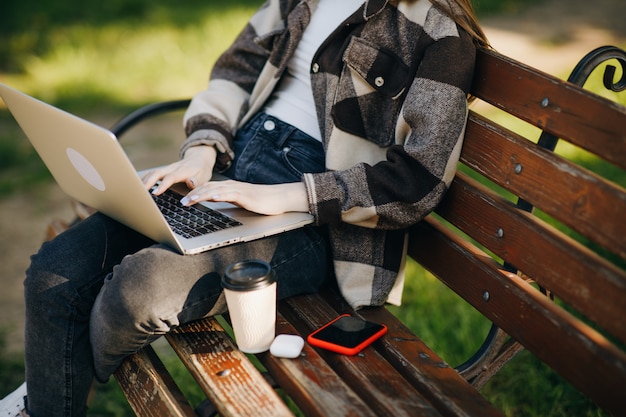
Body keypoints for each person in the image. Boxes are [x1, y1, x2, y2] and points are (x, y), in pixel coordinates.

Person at [4, 0, 489, 415]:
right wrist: (202, 151)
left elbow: (418, 182)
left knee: (135, 294)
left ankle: (49, 386)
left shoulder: (441, 34)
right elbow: (235, 71)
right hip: (227, 176)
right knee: (53, 274)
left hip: (318, 222)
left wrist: (284, 195)